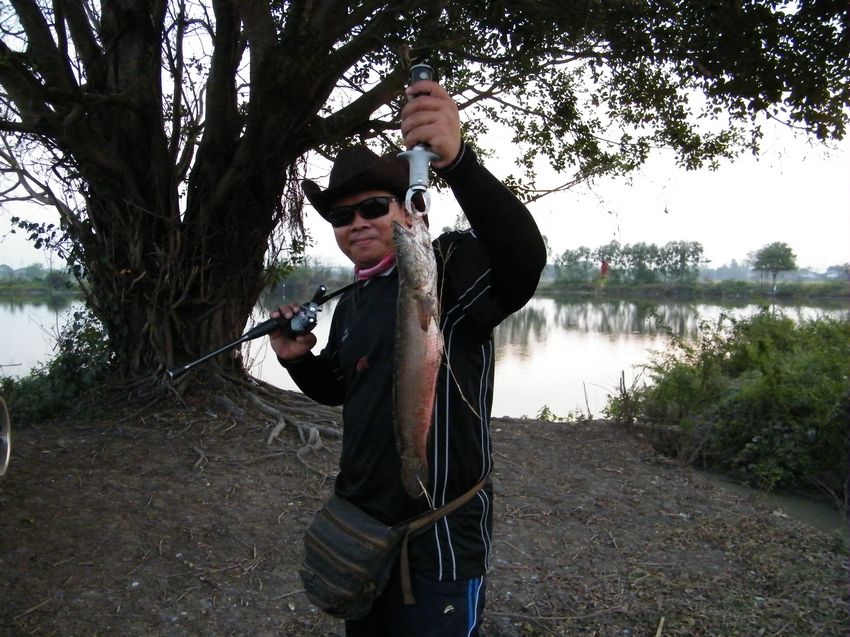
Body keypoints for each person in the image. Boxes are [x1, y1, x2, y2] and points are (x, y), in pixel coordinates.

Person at [269, 76, 546, 636]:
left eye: (373, 206)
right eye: (341, 217)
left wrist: (460, 162)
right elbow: (342, 390)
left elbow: (522, 263)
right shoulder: (354, 299)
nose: (358, 223)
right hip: (362, 529)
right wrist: (299, 358)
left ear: (406, 207)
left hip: (440, 534)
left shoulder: (449, 269)